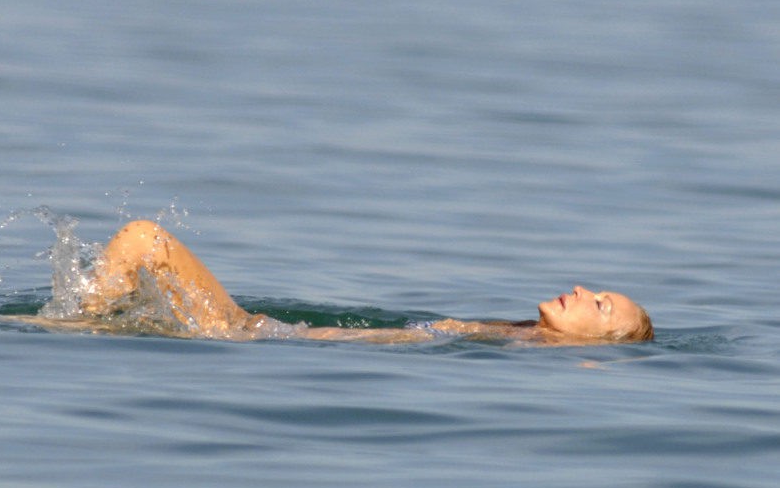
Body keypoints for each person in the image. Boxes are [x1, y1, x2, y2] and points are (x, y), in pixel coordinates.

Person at [78, 220, 654, 345]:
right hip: (268, 333)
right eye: (595, 289)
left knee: (145, 240)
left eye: (601, 305)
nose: (581, 290)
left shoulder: (530, 347)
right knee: (141, 244)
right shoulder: (519, 334)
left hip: (262, 338)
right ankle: (81, 323)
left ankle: (74, 326)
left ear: (595, 348)